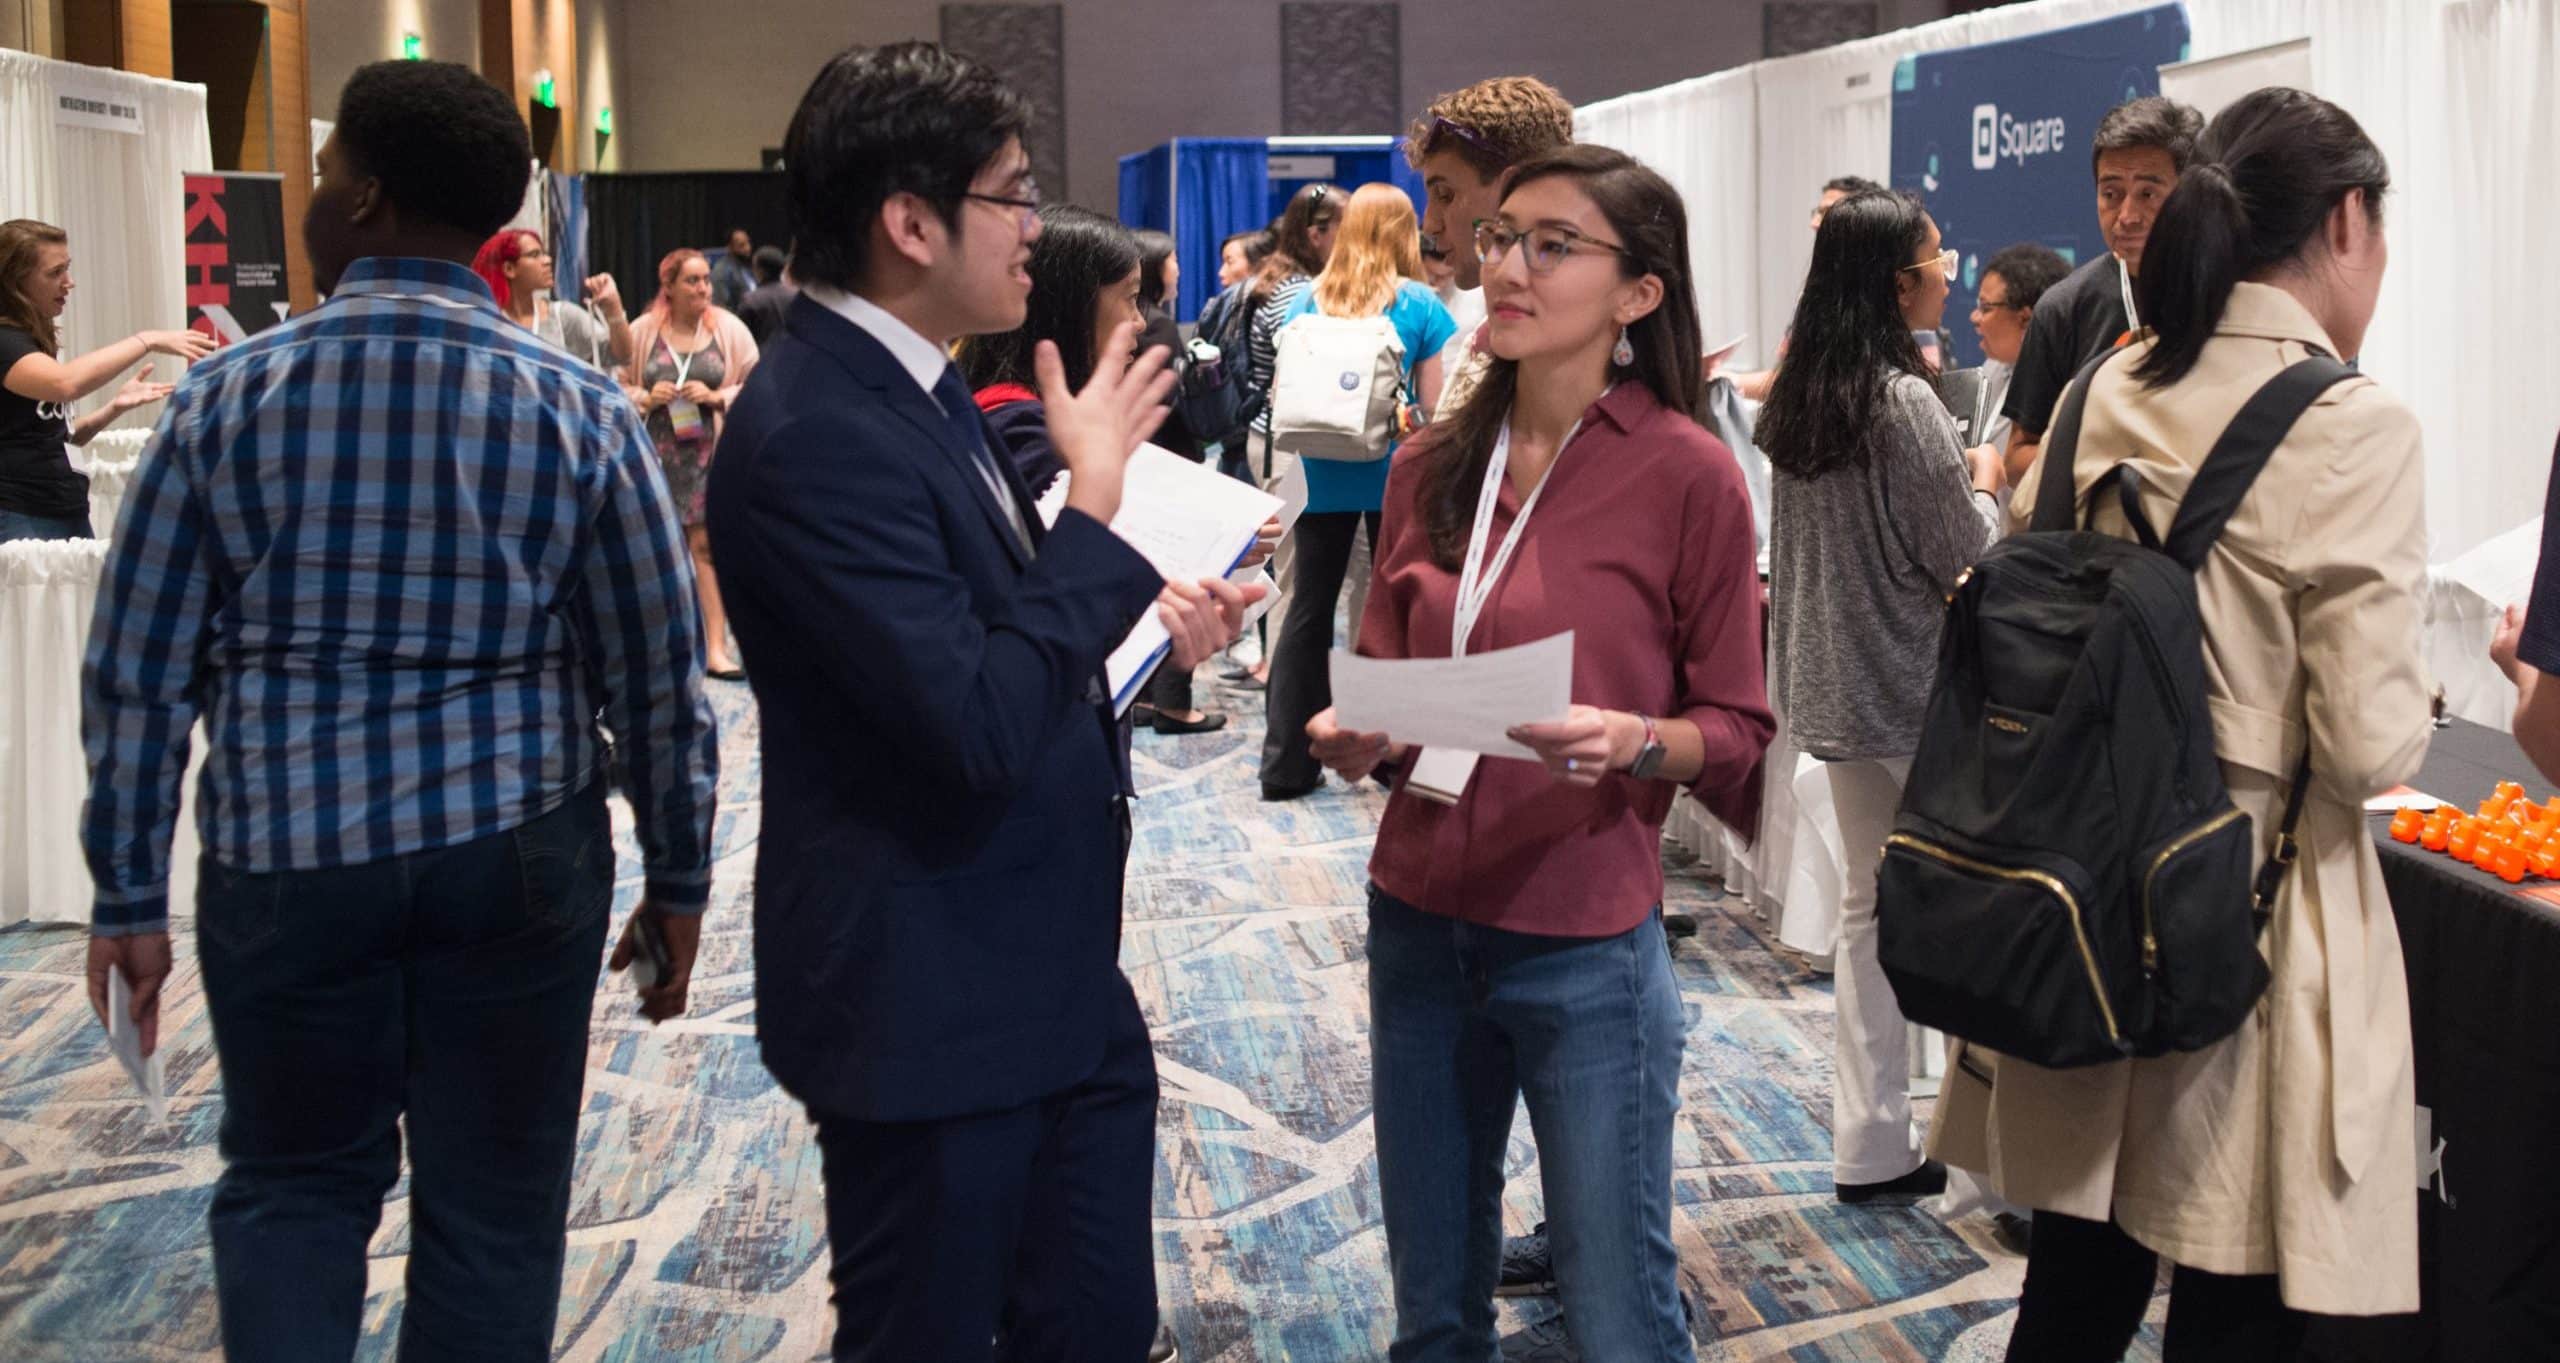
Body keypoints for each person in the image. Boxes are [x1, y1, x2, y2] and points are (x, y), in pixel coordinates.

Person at [80, 59, 717, 1362]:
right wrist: (682, 878)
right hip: (518, 851)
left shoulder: (220, 402)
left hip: (285, 856)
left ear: (362, 194)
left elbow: (138, 672)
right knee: (494, 1210)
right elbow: (656, 674)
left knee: (295, 1186)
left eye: (323, 175)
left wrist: (128, 891)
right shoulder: (583, 410)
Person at [704, 42, 1256, 1362]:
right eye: (1012, 194)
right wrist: (1104, 513)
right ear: (910, 222)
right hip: (931, 1006)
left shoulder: (920, 381)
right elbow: (974, 722)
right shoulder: (817, 431)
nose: (1034, 226)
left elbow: (1004, 643)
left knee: (1093, 1324)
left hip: (1041, 973)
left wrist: (1144, 626)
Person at [1932, 88, 2427, 1362]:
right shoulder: (2350, 422)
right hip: (2249, 918)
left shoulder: (2105, 383)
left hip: (2083, 887)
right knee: (2235, 1289)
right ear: (2348, 221)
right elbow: (2371, 749)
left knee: (2079, 1278)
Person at [1306, 143, 1771, 1362]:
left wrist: (1634, 741)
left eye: (1550, 246)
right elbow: (1383, 676)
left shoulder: (1690, 476)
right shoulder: (1426, 464)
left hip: (1582, 943)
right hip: (1415, 917)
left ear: (1639, 295)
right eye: (1500, 237)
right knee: (1435, 1313)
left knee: (1617, 1308)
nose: (1505, 265)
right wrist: (1363, 733)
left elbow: (1735, 729)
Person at [1755, 188, 2005, 1213]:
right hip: (1914, 696)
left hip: (1831, 691)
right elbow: (1966, 553)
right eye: (1938, 258)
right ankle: (1996, 1166)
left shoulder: (1804, 393)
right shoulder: (1900, 403)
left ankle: (1869, 1145)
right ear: (1899, 283)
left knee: (1867, 911)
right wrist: (1986, 475)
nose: (1950, 273)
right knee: (1975, 918)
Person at [1259, 184, 1455, 801]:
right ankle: (1392, 758)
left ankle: (1286, 766)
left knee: (1306, 614)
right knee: (1396, 612)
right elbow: (1431, 411)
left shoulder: (1308, 299)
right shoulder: (1420, 303)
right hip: (1394, 476)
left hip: (1318, 471)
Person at [2001, 95, 2205, 489]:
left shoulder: (2228, 292)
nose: (2126, 216)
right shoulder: (2064, 308)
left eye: (2147, 194)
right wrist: (2104, 459)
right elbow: (2016, 457)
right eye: (2111, 194)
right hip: (2100, 536)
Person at [0, 219, 211, 541]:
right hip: (19, 512)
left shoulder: (31, 339)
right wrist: (147, 339)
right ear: (15, 281)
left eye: (67, 269)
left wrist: (114, 407)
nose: (69, 282)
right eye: (55, 273)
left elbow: (62, 438)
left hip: (63, 506)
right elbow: (64, 384)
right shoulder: (5, 341)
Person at [1406, 76, 1577, 421]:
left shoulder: (1579, 357)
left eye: (1445, 196)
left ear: (1514, 187)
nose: (1430, 225)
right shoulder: (1486, 340)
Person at [623, 248, 759, 680]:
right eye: (692, 281)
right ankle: (661, 649)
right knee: (655, 552)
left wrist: (718, 396)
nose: (703, 288)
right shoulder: (644, 330)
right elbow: (614, 381)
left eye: (706, 280)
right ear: (668, 287)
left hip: (708, 455)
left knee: (705, 549)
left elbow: (756, 385)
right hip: (655, 455)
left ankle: (716, 648)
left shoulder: (729, 329)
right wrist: (646, 396)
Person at [1235, 183, 1349, 687]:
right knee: (1292, 575)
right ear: (1317, 233)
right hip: (1286, 446)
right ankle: (1284, 689)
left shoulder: (1277, 282)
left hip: (1274, 441)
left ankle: (1280, 678)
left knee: (1289, 572)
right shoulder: (1297, 293)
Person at [1724, 175, 1887, 403]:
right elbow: (1790, 378)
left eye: (1827, 212)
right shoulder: (1816, 294)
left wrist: (1727, 382)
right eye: (1817, 212)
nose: (1815, 223)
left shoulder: (1889, 294)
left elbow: (1798, 385)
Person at [1963, 241, 2069, 463]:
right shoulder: (1993, 368)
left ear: (2025, 319)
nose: (1974, 317)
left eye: (1985, 308)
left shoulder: (2065, 387)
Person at [469, 227, 632, 369]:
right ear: (509, 269)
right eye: (534, 255)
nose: (547, 260)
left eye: (544, 253)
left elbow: (621, 356)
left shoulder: (563, 317)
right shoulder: (488, 322)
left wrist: (614, 308)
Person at [736, 244, 797, 346]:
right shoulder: (796, 295)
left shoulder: (750, 300)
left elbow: (741, 339)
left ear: (760, 270)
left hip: (763, 358)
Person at [709, 226, 756, 311]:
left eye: (748, 243)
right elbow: (721, 306)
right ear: (730, 247)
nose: (748, 248)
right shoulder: (721, 271)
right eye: (742, 245)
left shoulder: (750, 267)